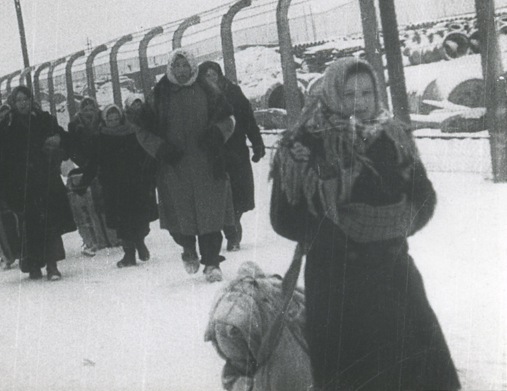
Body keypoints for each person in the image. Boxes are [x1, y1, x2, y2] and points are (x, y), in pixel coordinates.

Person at [270, 57, 460, 390]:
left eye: (366, 93)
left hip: (393, 277)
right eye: (349, 94)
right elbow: (282, 217)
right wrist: (333, 228)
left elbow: (424, 196)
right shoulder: (302, 144)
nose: (359, 102)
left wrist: (395, 223)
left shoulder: (392, 135)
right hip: (336, 284)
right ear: (331, 94)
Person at [136, 48, 235, 282]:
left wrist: (217, 134)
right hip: (174, 168)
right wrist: (160, 148)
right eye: (177, 66)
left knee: (211, 216)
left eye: (186, 65)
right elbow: (142, 129)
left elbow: (228, 119)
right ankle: (188, 249)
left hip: (207, 165)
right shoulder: (159, 94)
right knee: (180, 218)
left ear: (193, 66)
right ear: (170, 68)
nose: (182, 70)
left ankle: (211, 263)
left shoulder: (208, 90)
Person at [0, 85, 75, 280]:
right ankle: (33, 265)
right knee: (29, 226)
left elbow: (64, 138)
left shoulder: (43, 119)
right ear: (13, 102)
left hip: (45, 180)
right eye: (18, 100)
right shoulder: (8, 125)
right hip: (21, 183)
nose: (22, 103)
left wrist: (57, 139)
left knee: (50, 223)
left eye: (25, 99)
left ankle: (52, 266)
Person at [75, 104, 157, 268]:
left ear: (121, 118)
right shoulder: (101, 138)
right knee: (122, 223)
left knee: (140, 219)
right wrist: (83, 184)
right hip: (114, 187)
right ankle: (129, 255)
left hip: (136, 184)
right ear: (104, 120)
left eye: (116, 118)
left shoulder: (133, 133)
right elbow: (93, 163)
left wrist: (150, 178)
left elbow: (146, 157)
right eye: (109, 119)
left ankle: (140, 242)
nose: (113, 122)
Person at [199, 61, 266, 251]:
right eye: (206, 75)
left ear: (219, 75)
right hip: (211, 152)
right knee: (217, 193)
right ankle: (228, 229)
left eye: (213, 74)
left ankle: (234, 227)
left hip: (235, 150)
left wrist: (257, 143)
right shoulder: (198, 96)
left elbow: (248, 119)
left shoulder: (233, 92)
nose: (210, 78)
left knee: (239, 191)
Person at [67, 96, 116, 255]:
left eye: (91, 109)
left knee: (104, 202)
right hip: (86, 166)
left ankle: (110, 235)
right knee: (91, 205)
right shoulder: (75, 126)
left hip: (104, 165)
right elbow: (73, 148)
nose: (89, 112)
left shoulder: (102, 121)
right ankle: (99, 237)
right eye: (86, 109)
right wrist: (83, 163)